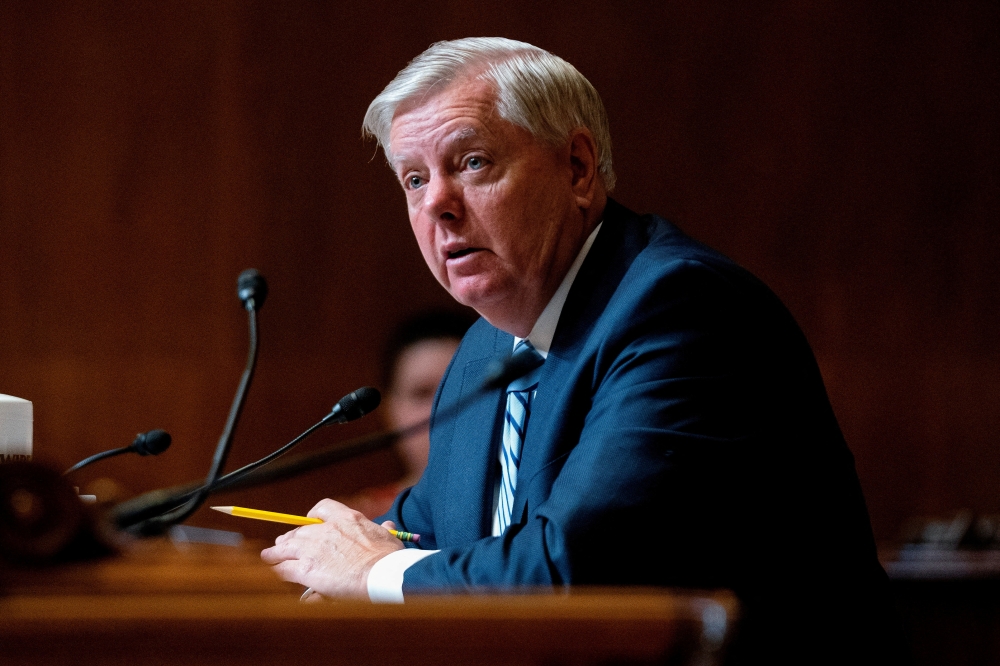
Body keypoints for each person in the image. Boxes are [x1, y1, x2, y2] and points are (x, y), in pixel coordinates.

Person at [262, 38, 902, 663]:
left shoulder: (680, 309)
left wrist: (377, 574)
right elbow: (425, 530)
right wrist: (351, 556)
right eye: (413, 178)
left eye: (472, 162)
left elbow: (573, 566)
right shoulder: (488, 347)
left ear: (578, 168)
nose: (438, 206)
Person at [345, 310, 472, 519]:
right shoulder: (356, 522)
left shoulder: (527, 509)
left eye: (458, 390)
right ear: (389, 411)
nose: (441, 409)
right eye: (422, 393)